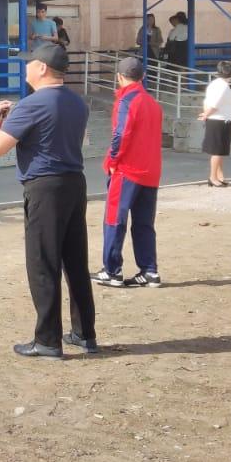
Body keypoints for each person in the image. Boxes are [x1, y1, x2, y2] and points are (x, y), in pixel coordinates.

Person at [0, 43, 97, 359]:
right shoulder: (77, 102)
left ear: (43, 68)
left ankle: (47, 339)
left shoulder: (32, 104)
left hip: (45, 187)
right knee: (75, 262)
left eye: (29, 62)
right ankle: (84, 333)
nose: (25, 67)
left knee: (43, 262)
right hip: (74, 182)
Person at [94, 57, 163, 289]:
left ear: (119, 77)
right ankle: (149, 270)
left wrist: (112, 160)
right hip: (150, 171)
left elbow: (121, 134)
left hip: (128, 170)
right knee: (144, 223)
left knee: (115, 219)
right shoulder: (153, 103)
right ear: (143, 77)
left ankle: (112, 270)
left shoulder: (126, 101)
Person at [198, 61, 231, 187]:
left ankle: (220, 176)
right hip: (220, 121)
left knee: (219, 151)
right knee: (217, 151)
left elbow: (206, 101)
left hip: (217, 120)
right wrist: (206, 114)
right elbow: (215, 105)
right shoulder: (223, 86)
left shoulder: (214, 84)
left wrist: (206, 114)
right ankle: (213, 177)